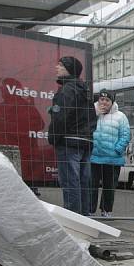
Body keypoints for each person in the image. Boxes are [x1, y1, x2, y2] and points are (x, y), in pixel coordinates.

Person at [48, 56, 96, 215]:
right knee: (83, 182)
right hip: (85, 141)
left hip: (69, 141)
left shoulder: (66, 90)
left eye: (60, 65)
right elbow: (91, 117)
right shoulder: (84, 90)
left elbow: (61, 117)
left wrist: (53, 137)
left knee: (70, 181)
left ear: (69, 69)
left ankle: (72, 218)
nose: (56, 67)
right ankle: (84, 217)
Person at [90, 89, 130, 218]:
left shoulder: (120, 116)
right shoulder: (91, 113)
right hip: (93, 157)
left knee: (109, 187)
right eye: (101, 99)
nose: (104, 102)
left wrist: (117, 149)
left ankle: (106, 210)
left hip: (112, 159)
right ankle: (89, 210)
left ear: (112, 102)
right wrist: (95, 114)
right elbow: (84, 128)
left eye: (107, 100)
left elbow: (125, 135)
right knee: (91, 185)